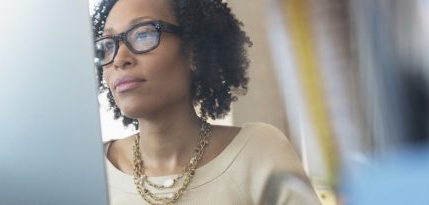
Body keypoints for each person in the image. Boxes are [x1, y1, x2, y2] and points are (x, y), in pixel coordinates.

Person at [92, 0, 321, 204]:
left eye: (143, 34)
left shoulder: (258, 153)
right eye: (108, 45)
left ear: (193, 52)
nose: (119, 59)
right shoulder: (92, 169)